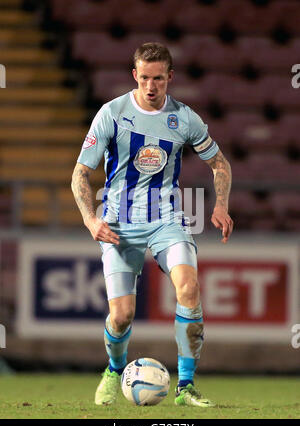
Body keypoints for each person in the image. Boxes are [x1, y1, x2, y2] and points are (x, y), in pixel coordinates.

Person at [71, 42, 233, 407]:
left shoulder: (185, 118)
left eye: (158, 78)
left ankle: (186, 385)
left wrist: (221, 205)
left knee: (189, 289)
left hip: (166, 220)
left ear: (169, 78)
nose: (150, 85)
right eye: (144, 77)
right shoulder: (111, 113)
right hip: (118, 223)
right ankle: (114, 370)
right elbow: (80, 173)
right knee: (122, 315)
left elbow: (220, 164)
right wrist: (90, 219)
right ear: (135, 76)